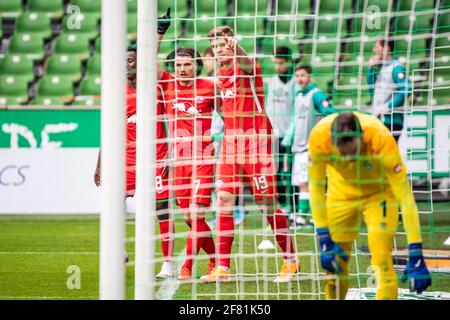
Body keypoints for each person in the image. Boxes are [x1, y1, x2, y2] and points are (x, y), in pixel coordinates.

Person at [200, 26, 297, 283]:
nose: (219, 50)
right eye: (216, 46)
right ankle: (223, 267)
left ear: (231, 44)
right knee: (223, 200)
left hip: (256, 142)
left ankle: (290, 261)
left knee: (267, 204)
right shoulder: (220, 76)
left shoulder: (247, 67)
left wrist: (235, 43)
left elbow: (243, 58)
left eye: (223, 45)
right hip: (232, 144)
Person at [308, 111, 432, 300]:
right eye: (341, 152)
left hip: (379, 195)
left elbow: (406, 197)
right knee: (335, 266)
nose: (346, 157)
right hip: (341, 194)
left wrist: (415, 248)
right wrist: (323, 235)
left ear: (360, 137)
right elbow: (315, 188)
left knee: (382, 258)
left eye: (350, 151)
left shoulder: (381, 138)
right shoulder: (319, 139)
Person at [93, 45, 174, 276]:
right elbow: (110, 130)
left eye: (130, 60)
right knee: (114, 203)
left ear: (139, 63)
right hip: (126, 160)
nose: (126, 64)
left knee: (161, 208)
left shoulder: (155, 89)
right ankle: (119, 249)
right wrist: (100, 164)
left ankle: (167, 262)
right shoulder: (117, 94)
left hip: (156, 158)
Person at [157, 9, 216, 281]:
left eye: (187, 64)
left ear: (197, 66)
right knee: (190, 219)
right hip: (177, 161)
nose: (182, 69)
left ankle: (186, 268)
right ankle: (216, 262)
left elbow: (228, 115)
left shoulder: (209, 87)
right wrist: (159, 33)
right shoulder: (168, 85)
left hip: (202, 158)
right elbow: (148, 65)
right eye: (178, 65)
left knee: (196, 212)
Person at [282, 65, 337, 229]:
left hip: (310, 147)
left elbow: (330, 112)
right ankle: (308, 216)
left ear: (310, 76)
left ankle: (306, 217)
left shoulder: (316, 94)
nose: (299, 78)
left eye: (303, 75)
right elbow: (295, 121)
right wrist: (288, 140)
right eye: (297, 75)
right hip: (297, 147)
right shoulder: (299, 95)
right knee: (301, 183)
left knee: (309, 183)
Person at [265, 46, 296, 218]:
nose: (278, 66)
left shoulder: (295, 82)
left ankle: (294, 207)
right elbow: (269, 108)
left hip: (291, 136)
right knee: (275, 171)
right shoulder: (272, 81)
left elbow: (296, 112)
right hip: (275, 135)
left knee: (290, 172)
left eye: (281, 63)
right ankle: (283, 205)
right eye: (275, 63)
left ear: (288, 62)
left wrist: (290, 134)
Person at [367, 37, 411, 143]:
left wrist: (389, 106)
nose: (374, 50)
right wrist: (370, 69)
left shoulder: (396, 68)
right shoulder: (382, 67)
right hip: (379, 119)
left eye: (377, 47)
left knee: (386, 156)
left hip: (391, 121)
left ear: (386, 48)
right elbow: (372, 91)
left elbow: (407, 88)